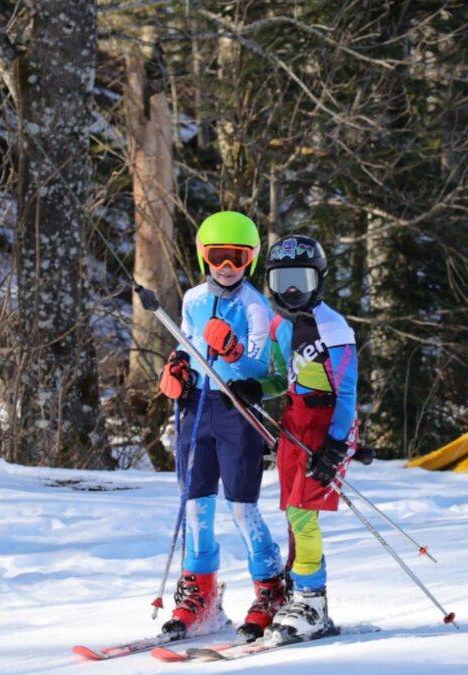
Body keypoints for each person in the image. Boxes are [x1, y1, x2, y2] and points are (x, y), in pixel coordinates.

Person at [157, 211, 287, 642]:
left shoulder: (254, 304)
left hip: (235, 411)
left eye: (237, 257)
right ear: (203, 257)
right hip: (197, 408)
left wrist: (232, 354)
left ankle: (270, 589)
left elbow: (257, 364)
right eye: (218, 256)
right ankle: (201, 595)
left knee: (241, 506)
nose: (227, 266)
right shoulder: (194, 298)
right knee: (195, 505)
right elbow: (187, 342)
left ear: (249, 259)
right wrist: (177, 366)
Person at [228, 234, 359, 642]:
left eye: (300, 280)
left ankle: (313, 601)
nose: (290, 290)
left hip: (326, 424)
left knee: (303, 513)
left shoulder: (333, 327)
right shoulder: (279, 324)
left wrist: (336, 445)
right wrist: (255, 388)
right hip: (294, 422)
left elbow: (347, 392)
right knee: (292, 511)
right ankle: (297, 590)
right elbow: (281, 379)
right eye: (283, 279)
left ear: (318, 280)